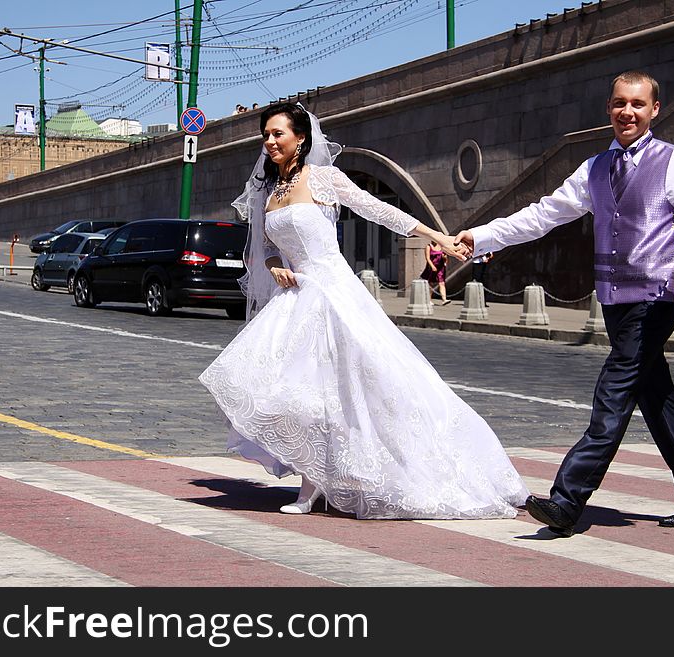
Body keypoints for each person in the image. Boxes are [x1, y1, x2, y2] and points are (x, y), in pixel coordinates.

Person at [199, 102, 528, 519]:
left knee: (369, 386)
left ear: (301, 138)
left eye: (278, 134)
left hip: (334, 293)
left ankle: (366, 475)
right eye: (266, 135)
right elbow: (263, 247)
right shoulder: (269, 193)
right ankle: (310, 482)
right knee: (299, 394)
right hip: (296, 297)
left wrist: (439, 238)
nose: (270, 142)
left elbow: (381, 211)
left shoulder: (324, 179)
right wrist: (273, 267)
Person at [454, 70, 674, 536]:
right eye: (620, 103)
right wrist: (481, 236)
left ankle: (568, 499)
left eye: (638, 104)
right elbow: (544, 215)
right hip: (615, 299)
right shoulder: (594, 168)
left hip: (656, 297)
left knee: (614, 393)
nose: (628, 112)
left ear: (655, 110)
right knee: (654, 395)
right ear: (609, 108)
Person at [421, 239, 450, 305]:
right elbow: (427, 258)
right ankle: (428, 300)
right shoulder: (429, 246)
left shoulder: (442, 247)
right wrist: (432, 266)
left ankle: (444, 299)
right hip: (432, 267)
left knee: (442, 283)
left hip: (440, 267)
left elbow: (446, 258)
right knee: (431, 283)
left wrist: (444, 258)